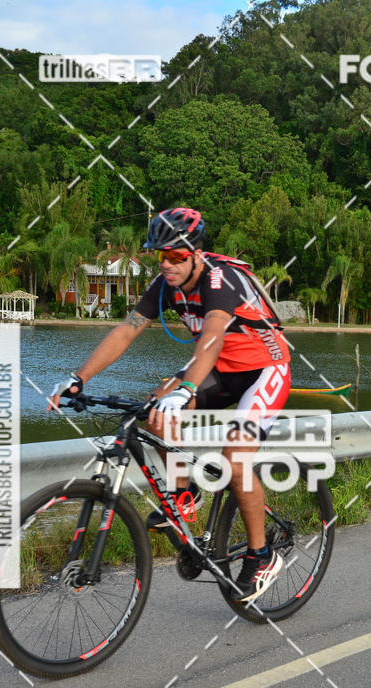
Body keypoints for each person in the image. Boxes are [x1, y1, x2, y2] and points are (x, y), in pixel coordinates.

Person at [49, 207, 291, 604]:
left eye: (176, 256)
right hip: (217, 367)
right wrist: (78, 378)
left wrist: (188, 386)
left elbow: (213, 335)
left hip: (263, 369)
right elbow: (126, 331)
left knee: (235, 459)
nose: (166, 264)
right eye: (160, 255)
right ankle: (184, 495)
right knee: (156, 412)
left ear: (195, 253)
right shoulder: (165, 285)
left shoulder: (219, 279)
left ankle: (261, 555)